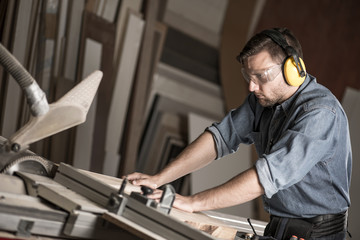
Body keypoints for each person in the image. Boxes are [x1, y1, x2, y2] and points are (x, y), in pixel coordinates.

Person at [126, 28, 352, 240]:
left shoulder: (321, 114)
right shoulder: (262, 101)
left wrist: (193, 202)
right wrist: (159, 179)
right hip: (280, 225)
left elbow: (265, 177)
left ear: (293, 69)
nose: (252, 87)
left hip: (318, 233)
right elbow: (219, 138)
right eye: (249, 77)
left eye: (261, 76)